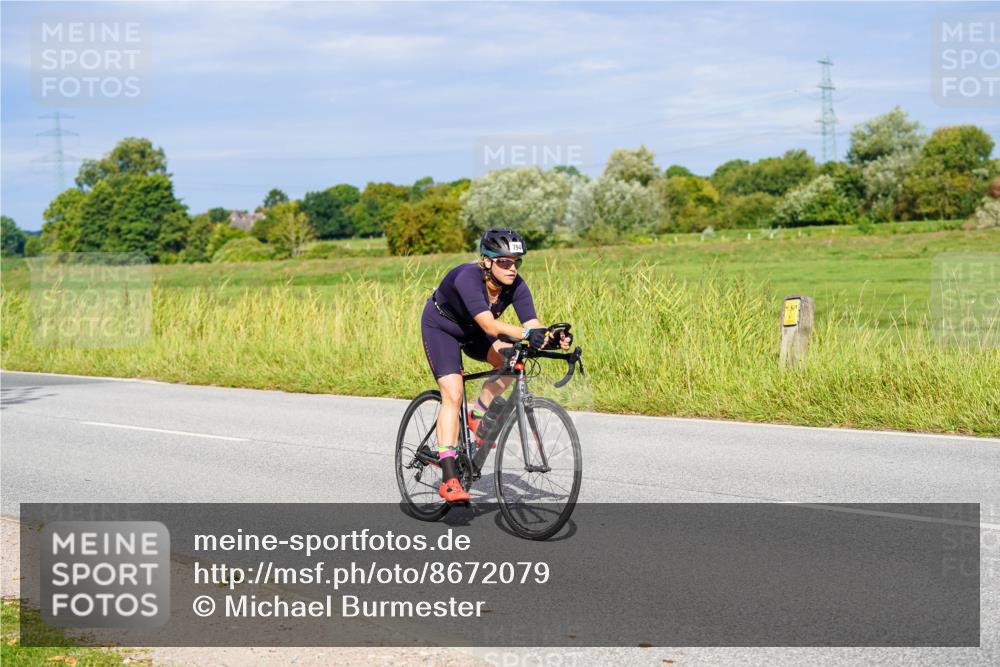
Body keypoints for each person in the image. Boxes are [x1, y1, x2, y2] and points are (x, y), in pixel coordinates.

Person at [421, 228, 572, 502]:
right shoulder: (467, 277)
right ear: (487, 261)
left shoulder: (516, 285)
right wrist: (528, 334)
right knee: (453, 393)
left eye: (516, 262)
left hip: (476, 332)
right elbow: (491, 326)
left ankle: (477, 415)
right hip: (442, 328)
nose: (512, 268)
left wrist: (550, 336)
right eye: (504, 262)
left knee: (513, 361)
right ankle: (450, 478)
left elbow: (532, 324)